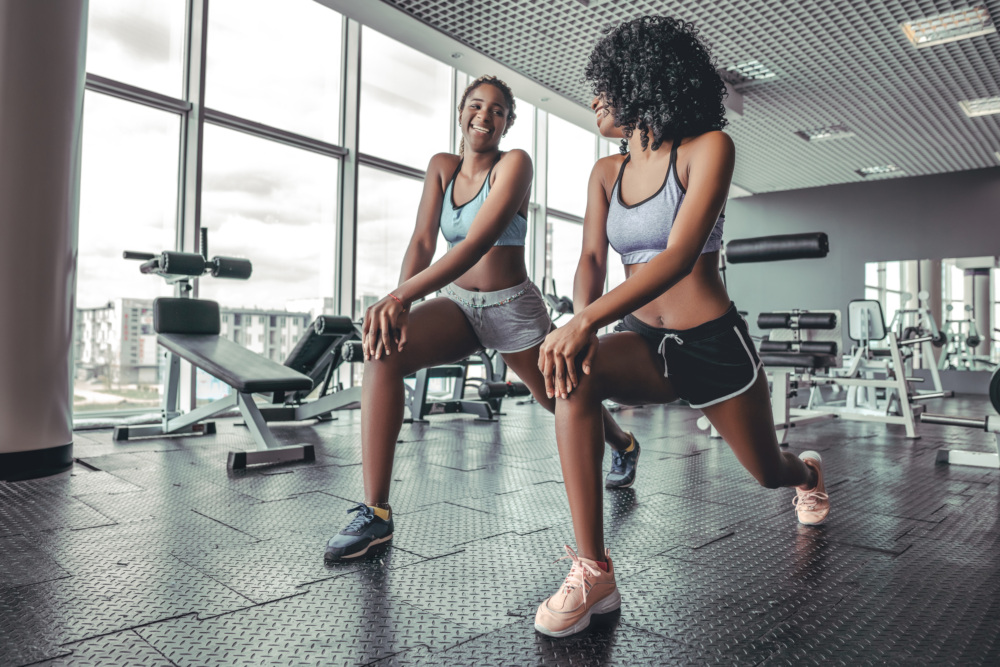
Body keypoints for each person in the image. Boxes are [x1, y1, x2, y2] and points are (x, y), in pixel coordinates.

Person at [532, 17, 830, 637]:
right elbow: (591, 259)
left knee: (766, 471)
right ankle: (594, 572)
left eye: (608, 83)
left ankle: (808, 473)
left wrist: (588, 317)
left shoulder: (708, 149)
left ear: (645, 83)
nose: (595, 98)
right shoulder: (604, 174)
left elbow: (676, 254)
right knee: (573, 379)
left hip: (712, 345)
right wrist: (576, 325)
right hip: (643, 342)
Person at [324, 75, 635, 563]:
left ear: (507, 122)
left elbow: (476, 244)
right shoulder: (441, 168)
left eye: (496, 110)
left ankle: (622, 442)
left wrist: (402, 295)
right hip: (456, 305)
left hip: (512, 308)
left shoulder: (516, 165)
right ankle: (376, 513)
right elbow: (424, 241)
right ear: (460, 112)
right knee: (382, 354)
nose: (483, 116)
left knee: (562, 400)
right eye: (475, 106)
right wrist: (399, 306)